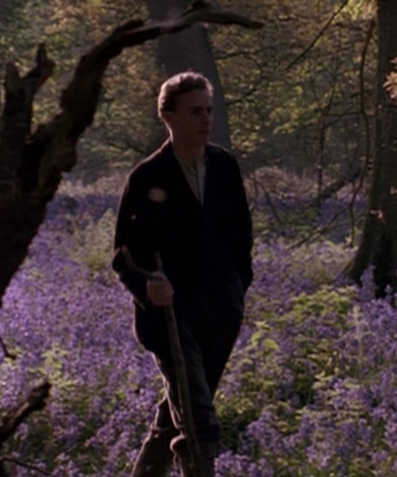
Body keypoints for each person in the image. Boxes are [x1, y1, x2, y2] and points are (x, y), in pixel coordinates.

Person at [112, 71, 253, 477]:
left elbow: (241, 240)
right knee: (196, 420)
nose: (206, 120)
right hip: (168, 318)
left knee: (178, 412)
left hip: (220, 313)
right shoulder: (147, 178)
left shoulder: (225, 168)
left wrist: (235, 289)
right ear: (168, 117)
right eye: (195, 112)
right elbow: (123, 255)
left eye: (208, 111)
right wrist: (147, 287)